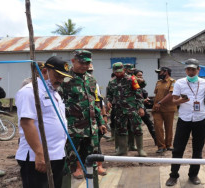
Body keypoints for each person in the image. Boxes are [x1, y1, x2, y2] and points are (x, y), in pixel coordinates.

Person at [15, 56, 71, 188]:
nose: (60, 80)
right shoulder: (30, 91)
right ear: (44, 71)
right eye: (57, 76)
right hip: (38, 157)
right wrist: (40, 154)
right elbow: (27, 123)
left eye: (63, 77)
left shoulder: (54, 93)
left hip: (56, 155)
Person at [165, 59, 205, 186]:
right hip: (184, 120)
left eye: (193, 69)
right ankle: (173, 175)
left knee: (198, 149)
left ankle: (193, 175)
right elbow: (174, 101)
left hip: (200, 119)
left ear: (198, 70)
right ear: (185, 70)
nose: (190, 71)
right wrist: (181, 101)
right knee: (178, 149)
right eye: (188, 69)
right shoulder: (179, 83)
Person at [59, 50, 107, 179]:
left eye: (87, 63)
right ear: (73, 61)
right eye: (81, 63)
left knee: (92, 155)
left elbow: (94, 103)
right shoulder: (64, 79)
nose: (85, 66)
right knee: (72, 154)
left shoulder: (91, 79)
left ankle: (92, 175)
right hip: (73, 126)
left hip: (91, 126)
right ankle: (74, 171)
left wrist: (101, 121)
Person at [106, 62, 147, 157]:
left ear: (124, 70)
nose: (118, 73)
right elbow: (109, 94)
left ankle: (140, 150)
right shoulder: (112, 82)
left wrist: (141, 107)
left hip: (132, 108)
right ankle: (122, 150)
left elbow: (138, 94)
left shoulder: (131, 79)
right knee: (121, 129)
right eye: (116, 72)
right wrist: (108, 101)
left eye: (120, 71)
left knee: (137, 128)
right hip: (119, 109)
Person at [152, 67, 177, 154]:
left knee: (168, 127)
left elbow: (171, 94)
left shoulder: (173, 82)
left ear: (166, 72)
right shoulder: (158, 82)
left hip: (168, 109)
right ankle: (161, 146)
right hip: (157, 109)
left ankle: (168, 145)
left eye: (160, 72)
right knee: (158, 127)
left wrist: (160, 102)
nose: (159, 74)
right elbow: (156, 94)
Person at [134, 69, 156, 145]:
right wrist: (143, 100)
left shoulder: (141, 85)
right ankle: (132, 144)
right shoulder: (130, 84)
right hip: (133, 109)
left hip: (142, 108)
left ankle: (157, 141)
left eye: (141, 76)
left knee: (150, 124)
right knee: (134, 127)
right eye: (138, 76)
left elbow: (143, 86)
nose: (140, 77)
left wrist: (146, 101)